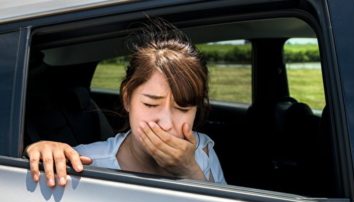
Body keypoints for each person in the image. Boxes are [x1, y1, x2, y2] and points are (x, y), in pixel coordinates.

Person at [26, 18, 226, 187]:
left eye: (182, 108)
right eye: (150, 104)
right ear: (127, 98)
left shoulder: (203, 151)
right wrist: (40, 151)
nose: (165, 124)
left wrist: (190, 171)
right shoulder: (85, 162)